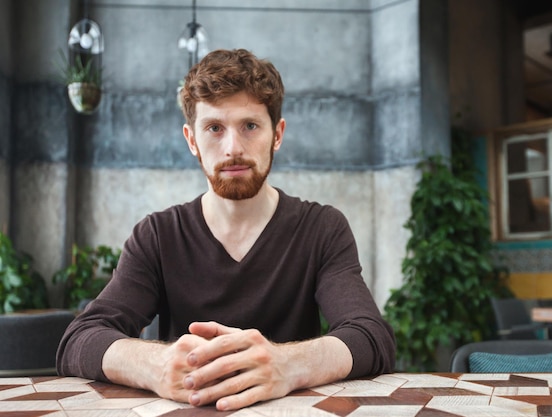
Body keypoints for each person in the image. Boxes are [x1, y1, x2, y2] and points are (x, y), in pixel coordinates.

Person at [56, 48, 396, 411]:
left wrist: (286, 364)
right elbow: (80, 339)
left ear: (276, 134)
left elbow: (371, 336)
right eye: (214, 128)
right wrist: (155, 366)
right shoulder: (158, 235)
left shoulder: (322, 228)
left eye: (250, 126)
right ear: (192, 140)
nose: (233, 148)